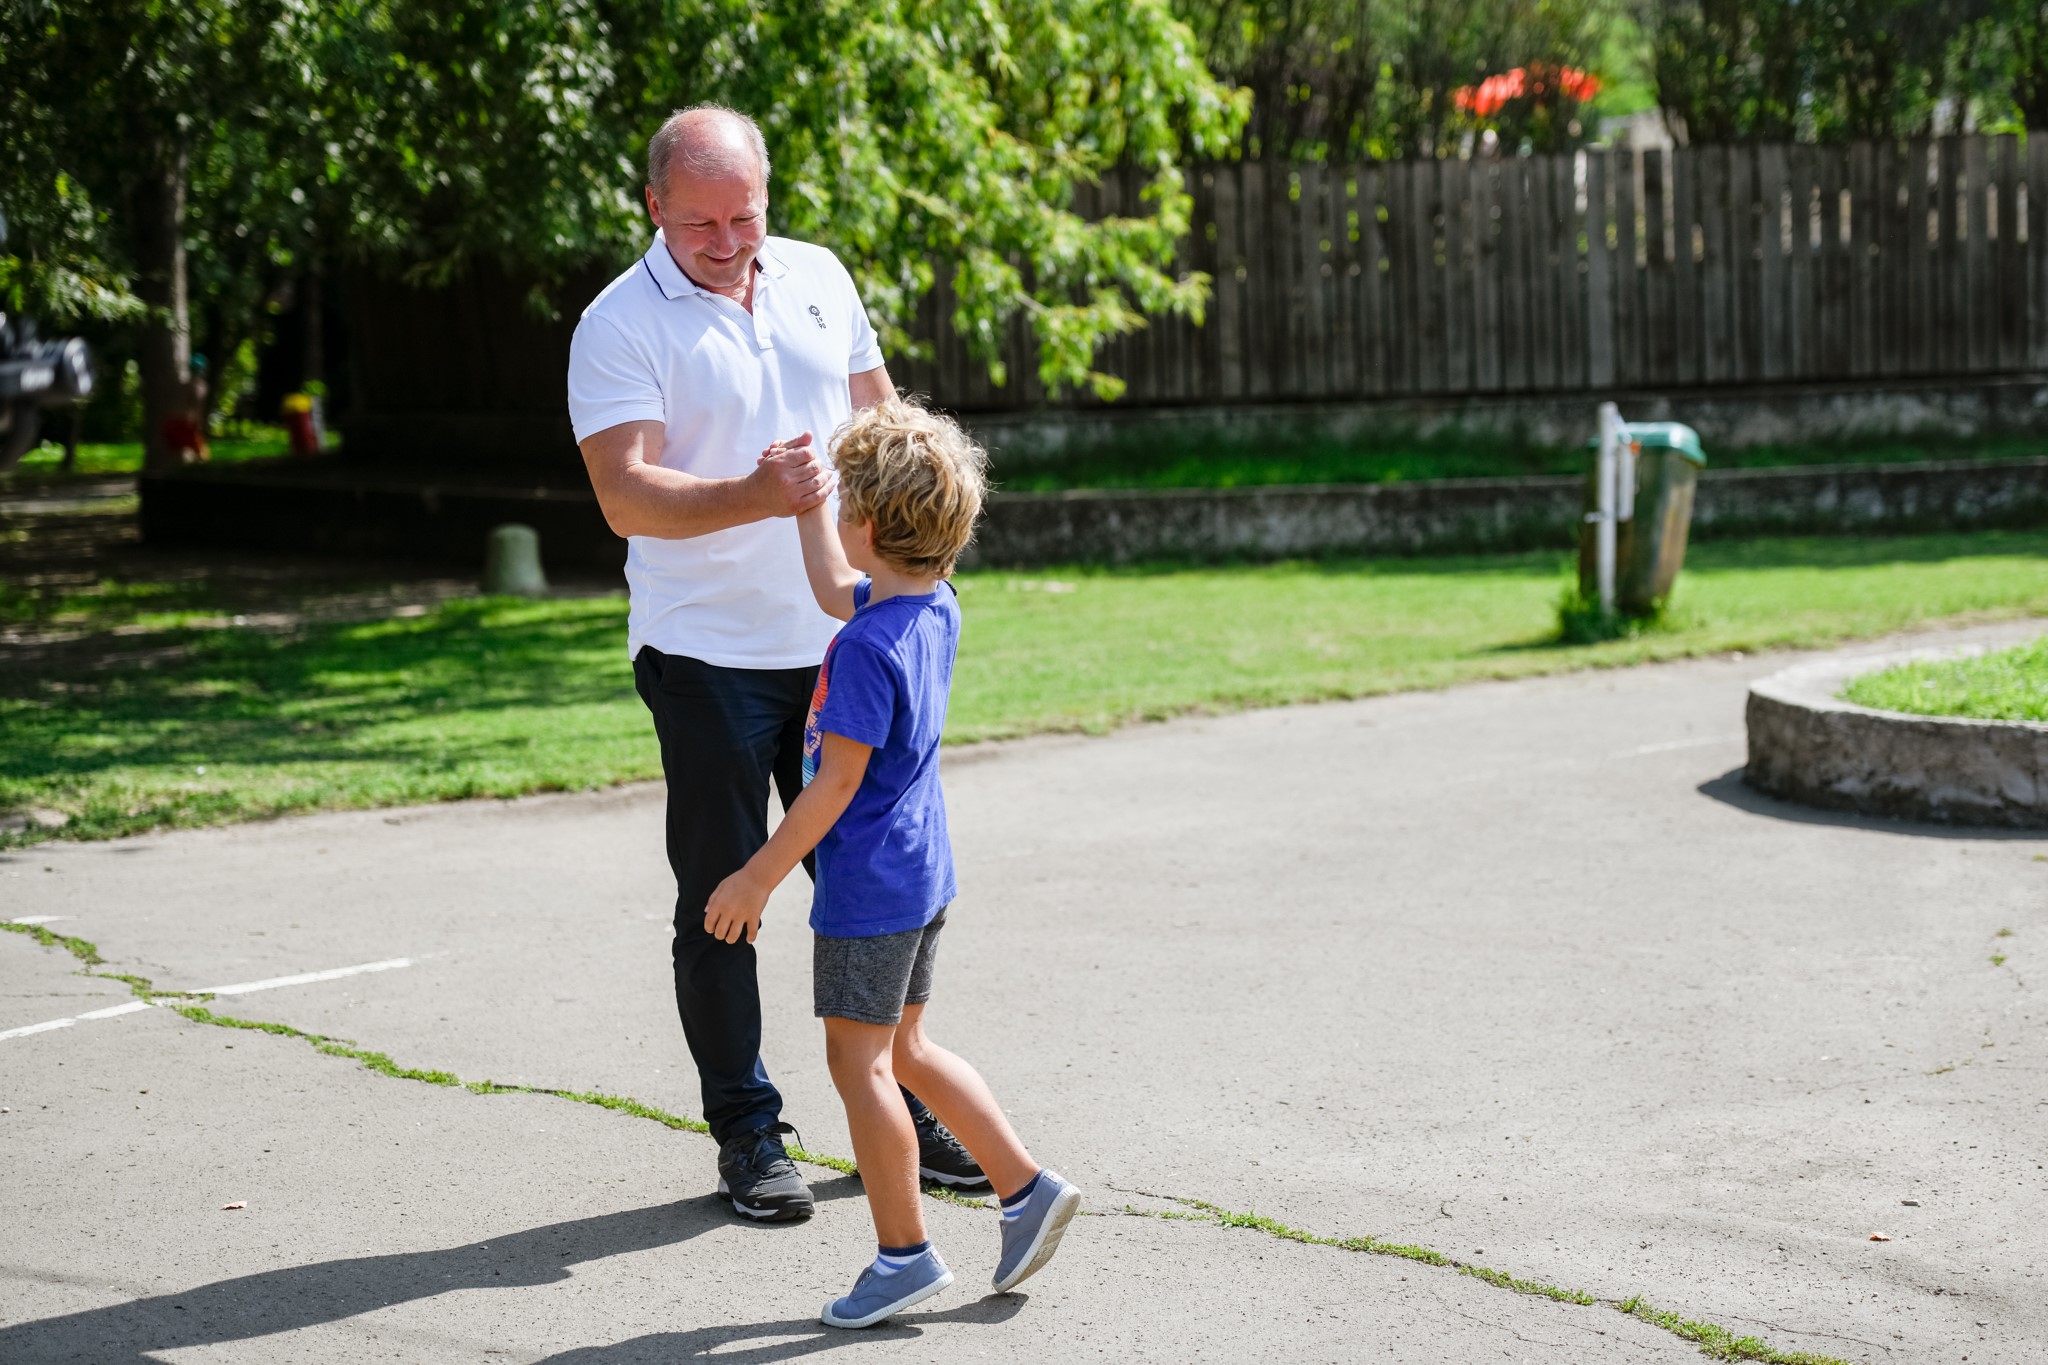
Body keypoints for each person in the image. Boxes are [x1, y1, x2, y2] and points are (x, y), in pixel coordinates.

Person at [566, 105, 984, 1224]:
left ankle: (902, 1098)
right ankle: (749, 1131)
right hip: (705, 654)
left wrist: (926, 542)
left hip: (846, 635)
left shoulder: (817, 277)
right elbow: (624, 495)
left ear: (766, 199)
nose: (725, 241)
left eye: (743, 217)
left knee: (874, 883)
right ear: (654, 206)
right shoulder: (616, 324)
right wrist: (760, 494)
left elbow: (887, 425)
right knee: (725, 893)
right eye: (698, 222)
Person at [704, 400, 1082, 1329]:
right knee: (906, 1049)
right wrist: (807, 511)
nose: (837, 518)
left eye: (842, 506)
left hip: (870, 889)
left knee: (859, 1062)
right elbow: (840, 586)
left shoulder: (866, 649)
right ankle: (1025, 1188)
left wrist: (756, 875)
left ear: (870, 526)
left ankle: (904, 1255)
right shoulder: (929, 604)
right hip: (921, 873)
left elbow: (833, 786)